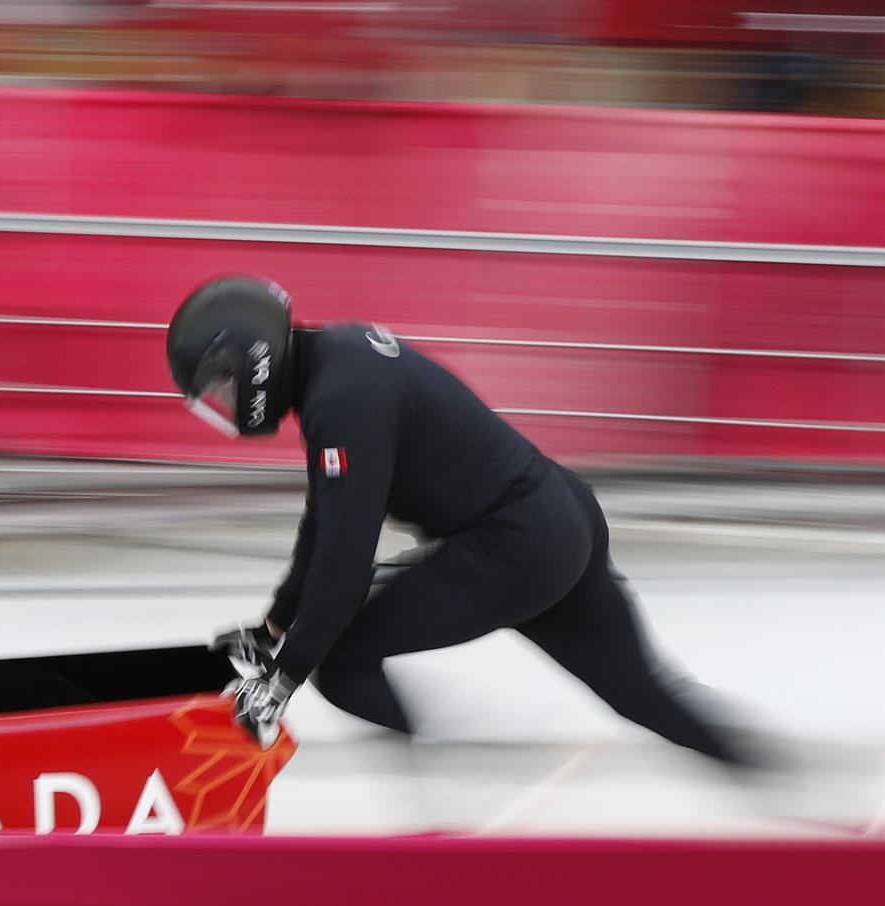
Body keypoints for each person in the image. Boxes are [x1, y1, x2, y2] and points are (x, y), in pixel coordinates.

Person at [166, 276, 760, 771]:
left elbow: (344, 564)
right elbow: (326, 520)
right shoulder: (338, 360)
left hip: (514, 546)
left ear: (252, 362)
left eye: (221, 387)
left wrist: (283, 678)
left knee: (340, 656)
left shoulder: (340, 404)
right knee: (647, 697)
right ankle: (786, 784)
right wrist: (275, 627)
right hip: (558, 517)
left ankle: (459, 788)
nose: (226, 403)